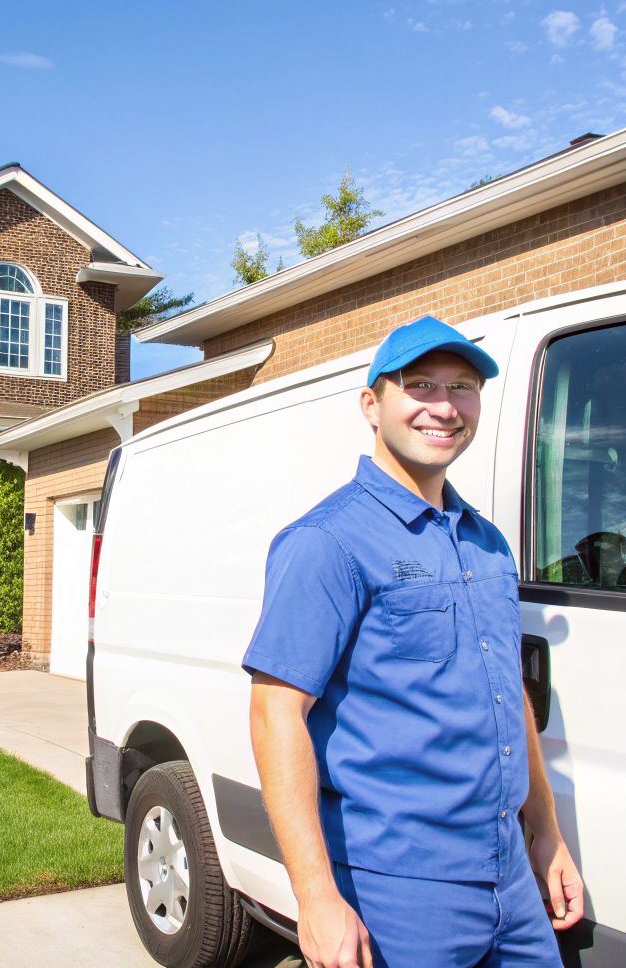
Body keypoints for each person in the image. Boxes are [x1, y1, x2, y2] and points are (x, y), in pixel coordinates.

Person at [243, 314, 583, 968]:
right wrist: (315, 897)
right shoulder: (328, 542)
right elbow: (274, 714)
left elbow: (505, 694)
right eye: (421, 385)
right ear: (372, 405)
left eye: (462, 388)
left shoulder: (485, 542)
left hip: (508, 874)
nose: (444, 407)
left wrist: (545, 831)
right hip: (398, 887)